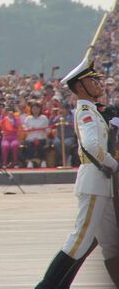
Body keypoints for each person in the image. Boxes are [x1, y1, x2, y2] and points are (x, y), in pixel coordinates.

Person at [36, 59, 119, 288]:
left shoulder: (93, 110)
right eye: (92, 80)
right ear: (80, 87)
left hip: (101, 184)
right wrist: (114, 164)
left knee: (111, 244)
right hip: (94, 181)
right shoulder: (85, 111)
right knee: (78, 241)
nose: (98, 83)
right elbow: (92, 146)